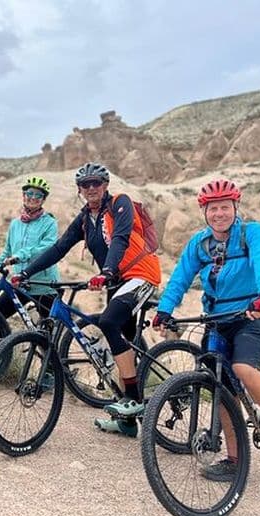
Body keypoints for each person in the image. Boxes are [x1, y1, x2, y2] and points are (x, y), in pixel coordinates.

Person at [152, 178, 260, 481]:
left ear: (234, 207)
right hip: (216, 319)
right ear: (205, 211)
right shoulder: (199, 244)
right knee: (220, 386)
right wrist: (165, 309)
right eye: (213, 208)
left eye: (224, 207)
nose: (219, 214)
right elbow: (180, 278)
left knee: (243, 367)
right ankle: (234, 459)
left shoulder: (251, 233)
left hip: (253, 316)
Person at [12, 162, 161, 437]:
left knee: (108, 322)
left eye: (96, 183)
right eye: (85, 184)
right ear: (79, 189)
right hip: (116, 280)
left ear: (105, 185)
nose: (91, 188)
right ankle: (128, 422)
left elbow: (120, 238)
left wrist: (106, 271)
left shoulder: (120, 203)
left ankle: (131, 398)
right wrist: (25, 273)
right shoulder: (84, 219)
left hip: (141, 274)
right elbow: (59, 248)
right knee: (123, 342)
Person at [0, 176, 60, 349]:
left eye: (38, 195)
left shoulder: (49, 223)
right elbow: (7, 251)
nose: (32, 198)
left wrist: (20, 255)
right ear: (23, 195)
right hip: (20, 284)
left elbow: (46, 248)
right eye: (29, 193)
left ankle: (51, 372)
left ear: (43, 200)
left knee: (48, 335)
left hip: (44, 284)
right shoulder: (15, 224)